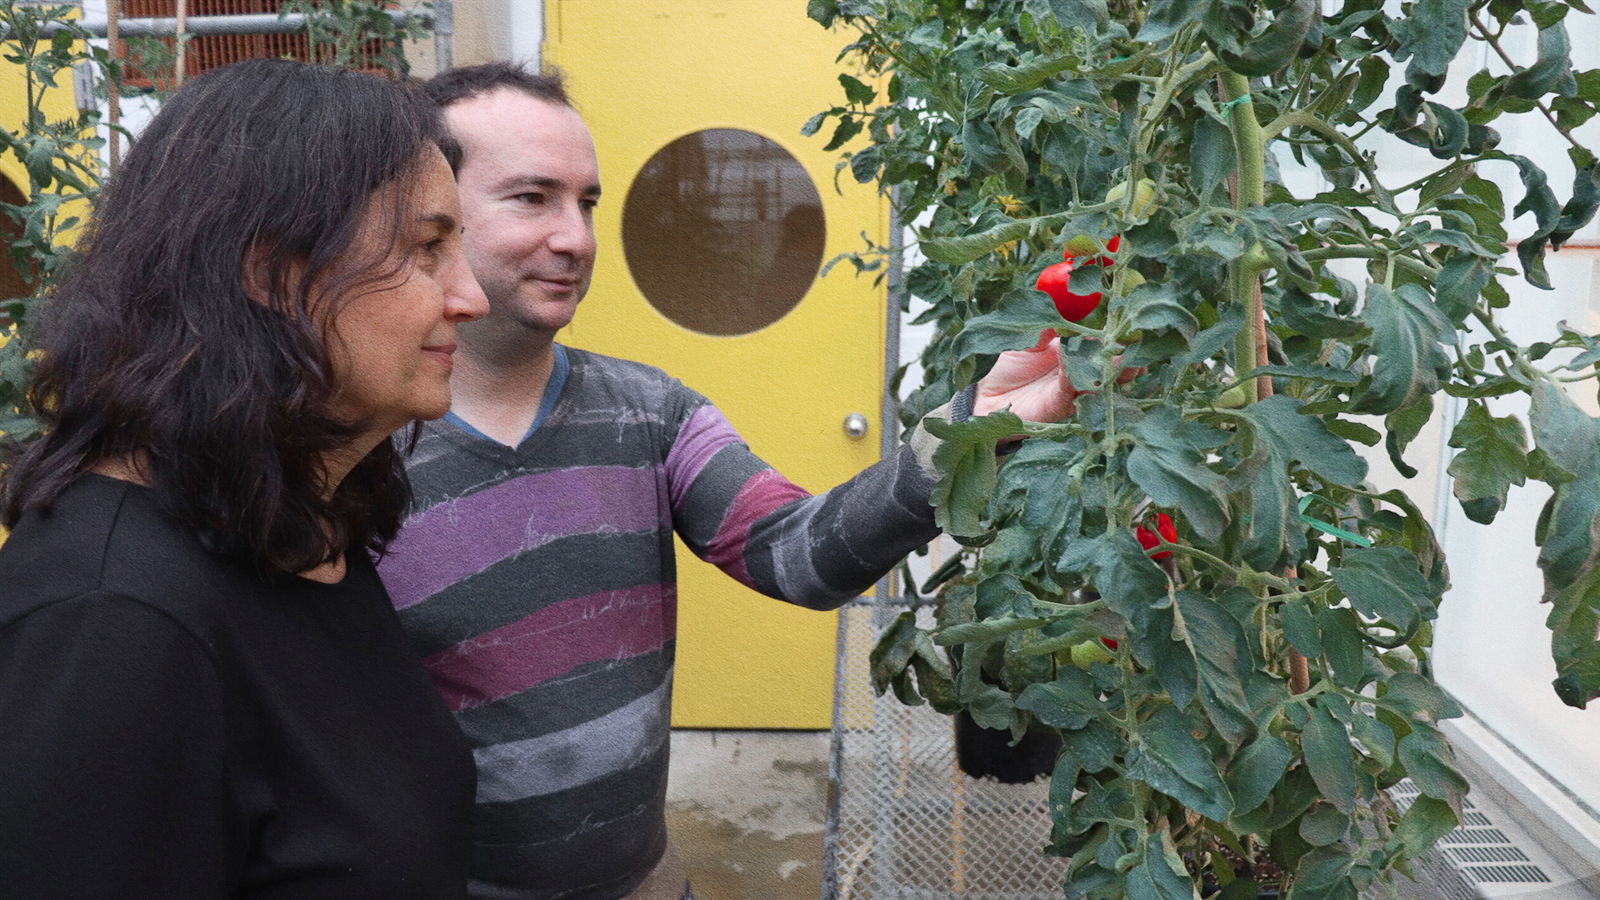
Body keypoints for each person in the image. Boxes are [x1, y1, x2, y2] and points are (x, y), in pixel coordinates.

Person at [375, 62, 1078, 900]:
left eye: (587, 202)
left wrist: (976, 426)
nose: (577, 238)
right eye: (532, 198)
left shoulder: (650, 414)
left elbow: (799, 554)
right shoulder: (353, 451)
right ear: (432, 218)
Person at [0, 59, 490, 898]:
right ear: (272, 274)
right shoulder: (112, 620)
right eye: (424, 248)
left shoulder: (298, 524)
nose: (470, 297)